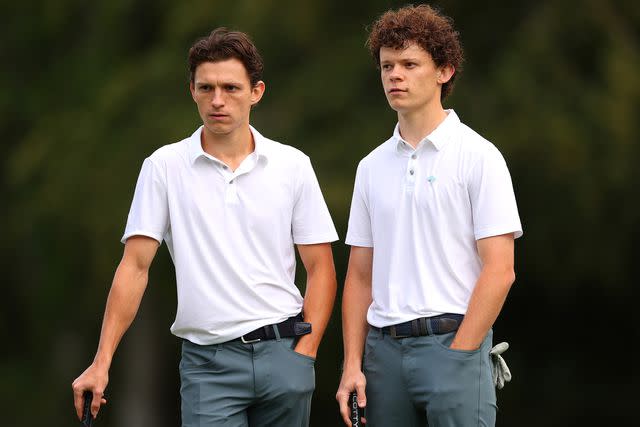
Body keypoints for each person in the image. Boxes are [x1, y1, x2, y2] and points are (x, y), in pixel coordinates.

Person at [72, 28, 338, 427]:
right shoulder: (163, 167)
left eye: (231, 88)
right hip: (208, 364)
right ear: (192, 90)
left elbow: (321, 269)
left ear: (256, 92)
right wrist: (101, 361)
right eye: (206, 88)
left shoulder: (293, 165)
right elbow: (135, 267)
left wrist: (307, 353)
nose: (217, 100)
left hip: (284, 355)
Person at [336, 4, 522, 426]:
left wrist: (462, 352)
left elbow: (500, 270)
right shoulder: (370, 166)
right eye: (386, 65)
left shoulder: (479, 157)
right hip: (382, 356)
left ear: (444, 71)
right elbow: (360, 276)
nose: (394, 75)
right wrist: (352, 365)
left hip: (454, 344)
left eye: (409, 64)